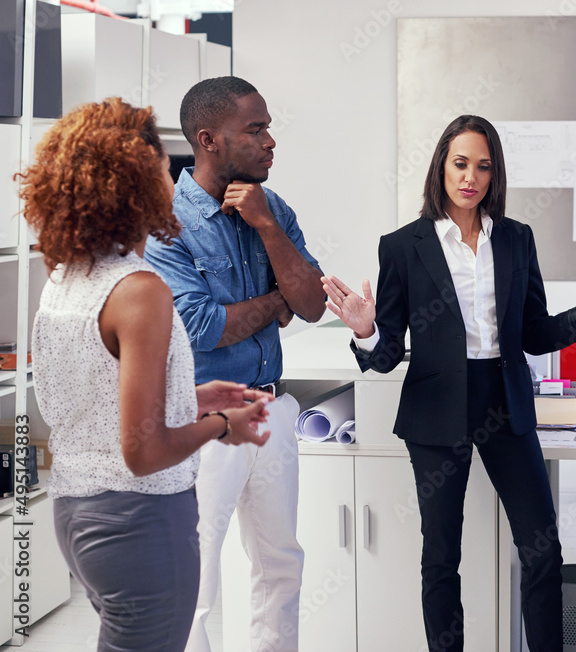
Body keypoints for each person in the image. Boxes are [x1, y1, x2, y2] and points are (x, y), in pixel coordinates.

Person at [322, 114, 576, 651]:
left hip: (505, 401)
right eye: (461, 163)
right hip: (436, 408)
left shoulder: (516, 239)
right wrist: (366, 329)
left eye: (483, 166)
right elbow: (386, 354)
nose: (471, 177)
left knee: (543, 550)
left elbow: (534, 333)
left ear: (495, 175)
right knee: (441, 556)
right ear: (441, 168)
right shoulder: (403, 246)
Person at [22, 98, 272, 651]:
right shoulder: (140, 290)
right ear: (133, 183)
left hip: (77, 514)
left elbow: (97, 393)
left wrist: (193, 395)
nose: (173, 178)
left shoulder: (68, 277)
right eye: (163, 168)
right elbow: (144, 450)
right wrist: (221, 426)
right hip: (140, 520)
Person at [144, 77, 326, 652]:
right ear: (209, 139)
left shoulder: (276, 210)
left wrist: (268, 228)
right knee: (195, 577)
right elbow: (202, 329)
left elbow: (315, 304)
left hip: (271, 408)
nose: (271, 141)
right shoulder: (165, 223)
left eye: (268, 127)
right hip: (204, 421)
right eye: (255, 129)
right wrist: (280, 303)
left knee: (280, 563)